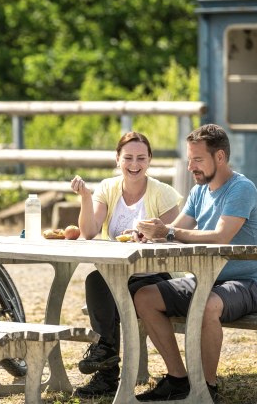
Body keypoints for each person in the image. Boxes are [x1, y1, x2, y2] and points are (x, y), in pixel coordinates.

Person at [134, 123, 257, 402]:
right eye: (189, 160)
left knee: (207, 304)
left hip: (251, 284)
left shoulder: (241, 188)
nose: (191, 167)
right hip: (208, 281)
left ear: (219, 157)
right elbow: (175, 230)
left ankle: (206, 388)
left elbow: (222, 236)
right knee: (145, 297)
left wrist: (170, 232)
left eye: (197, 160)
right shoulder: (200, 191)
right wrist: (152, 234)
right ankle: (178, 379)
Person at [70, 131, 183, 398]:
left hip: (156, 275)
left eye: (141, 158)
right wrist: (86, 197)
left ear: (149, 160)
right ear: (117, 159)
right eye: (128, 158)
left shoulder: (163, 193)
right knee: (97, 280)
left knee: (110, 286)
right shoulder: (107, 188)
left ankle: (106, 366)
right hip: (119, 274)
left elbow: (177, 239)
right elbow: (88, 231)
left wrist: (154, 235)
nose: (134, 164)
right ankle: (107, 359)